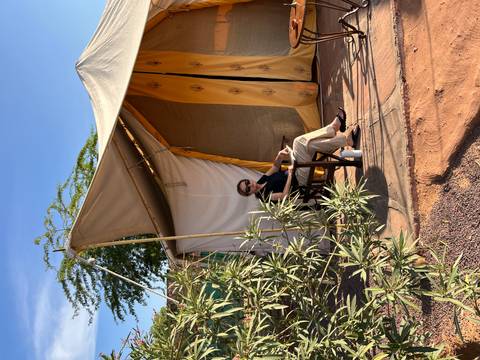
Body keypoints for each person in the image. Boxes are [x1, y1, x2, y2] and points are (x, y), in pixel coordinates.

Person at [237, 108, 357, 201]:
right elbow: (284, 196)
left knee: (309, 145)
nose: (250, 185)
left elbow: (274, 168)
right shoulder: (264, 196)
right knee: (299, 142)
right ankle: (334, 127)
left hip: (297, 169)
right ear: (249, 194)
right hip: (300, 179)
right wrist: (289, 175)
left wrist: (279, 156)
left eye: (247, 182)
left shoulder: (261, 181)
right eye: (248, 189)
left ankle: (343, 137)